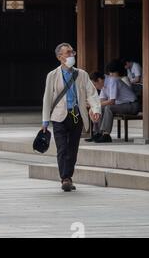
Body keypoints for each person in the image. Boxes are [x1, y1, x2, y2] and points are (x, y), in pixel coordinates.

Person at [42, 43, 101, 192]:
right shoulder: (52, 75)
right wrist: (45, 120)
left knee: (72, 149)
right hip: (59, 116)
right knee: (62, 148)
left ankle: (69, 175)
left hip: (76, 115)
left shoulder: (82, 74)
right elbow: (47, 98)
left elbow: (92, 93)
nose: (71, 55)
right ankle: (65, 178)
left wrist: (95, 109)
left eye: (72, 52)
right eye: (67, 53)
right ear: (59, 57)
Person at [88, 60, 139, 143]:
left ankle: (106, 135)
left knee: (108, 108)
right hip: (122, 105)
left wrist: (95, 106)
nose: (95, 87)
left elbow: (112, 101)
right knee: (101, 108)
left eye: (95, 85)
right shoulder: (103, 85)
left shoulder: (112, 81)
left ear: (100, 80)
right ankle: (97, 133)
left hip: (132, 105)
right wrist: (94, 108)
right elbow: (102, 101)